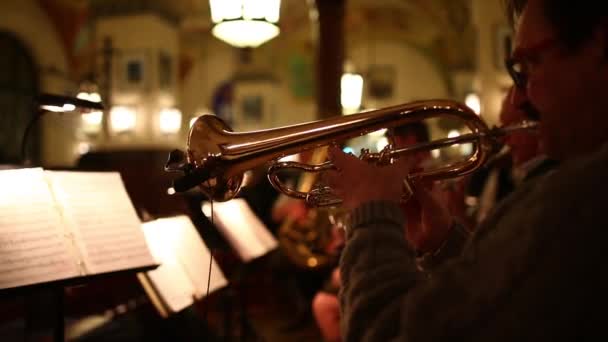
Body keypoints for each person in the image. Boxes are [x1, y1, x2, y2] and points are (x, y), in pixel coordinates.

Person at [325, 0, 608, 340]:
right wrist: (447, 245)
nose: (518, 100)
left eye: (531, 64)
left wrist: (370, 211)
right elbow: (510, 301)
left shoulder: (575, 199)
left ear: (598, 45)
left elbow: (384, 331)